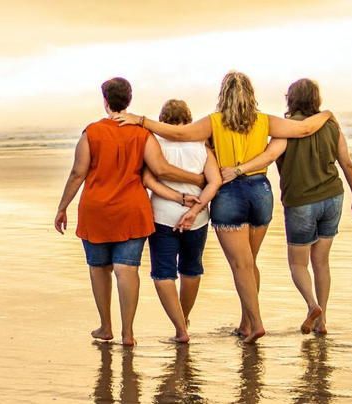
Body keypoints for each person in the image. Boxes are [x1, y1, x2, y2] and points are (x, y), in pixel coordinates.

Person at [114, 71, 334, 344]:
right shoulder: (264, 122)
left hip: (231, 195)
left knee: (240, 265)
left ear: (223, 95)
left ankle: (256, 324)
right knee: (249, 263)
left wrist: (142, 121)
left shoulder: (214, 122)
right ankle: (246, 321)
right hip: (260, 192)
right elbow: (304, 128)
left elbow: (179, 133)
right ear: (251, 95)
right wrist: (327, 114)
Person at [55, 77, 204, 346]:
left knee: (99, 268)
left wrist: (62, 207)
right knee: (127, 269)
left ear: (105, 101)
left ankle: (106, 326)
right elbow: (159, 169)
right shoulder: (142, 133)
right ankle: (128, 333)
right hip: (132, 210)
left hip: (96, 210)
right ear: (129, 100)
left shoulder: (92, 132)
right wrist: (196, 180)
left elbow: (78, 173)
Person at [275, 78, 352, 334]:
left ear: (290, 99)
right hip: (332, 197)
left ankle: (313, 306)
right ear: (317, 99)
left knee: (297, 263)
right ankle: (322, 322)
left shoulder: (285, 128)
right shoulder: (331, 126)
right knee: (321, 262)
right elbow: (347, 163)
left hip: (301, 201)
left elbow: (273, 157)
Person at [140, 100, 222, 344]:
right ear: (189, 119)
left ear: (162, 119)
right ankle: (184, 318)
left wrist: (176, 198)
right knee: (191, 268)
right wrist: (194, 210)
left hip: (162, 215)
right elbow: (214, 182)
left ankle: (180, 328)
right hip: (197, 219)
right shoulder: (201, 146)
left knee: (163, 273)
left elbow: (148, 180)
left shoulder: (154, 144)